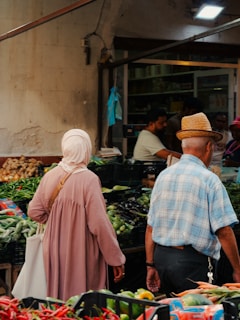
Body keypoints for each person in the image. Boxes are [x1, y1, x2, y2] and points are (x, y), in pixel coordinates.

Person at [145, 112, 240, 296]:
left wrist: (150, 265)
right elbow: (224, 231)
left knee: (170, 312)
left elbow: (151, 227)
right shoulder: (209, 180)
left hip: (162, 258)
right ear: (209, 147)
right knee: (195, 312)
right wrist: (237, 268)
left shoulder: (164, 176)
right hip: (192, 263)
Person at [28, 129, 126, 301]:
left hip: (53, 248)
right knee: (83, 300)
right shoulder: (89, 179)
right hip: (82, 248)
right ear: (85, 150)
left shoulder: (50, 175)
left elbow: (34, 211)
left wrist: (58, 222)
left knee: (57, 299)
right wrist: (115, 258)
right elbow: (99, 224)